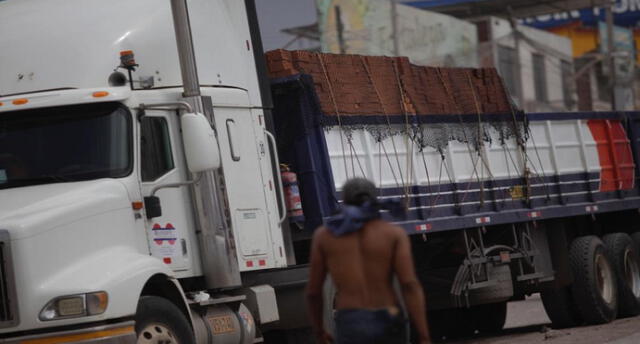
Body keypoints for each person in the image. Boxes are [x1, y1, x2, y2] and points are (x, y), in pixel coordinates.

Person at [305, 178, 431, 344]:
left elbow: (313, 292)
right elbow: (409, 284)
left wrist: (319, 331)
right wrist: (424, 336)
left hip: (351, 320)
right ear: (374, 200)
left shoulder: (325, 236)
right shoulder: (393, 234)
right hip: (388, 317)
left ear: (345, 200)